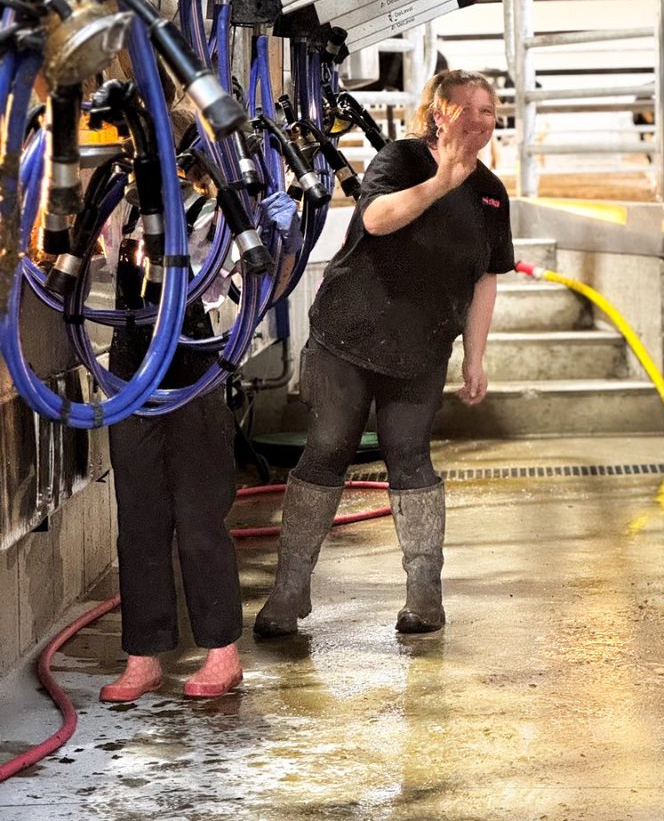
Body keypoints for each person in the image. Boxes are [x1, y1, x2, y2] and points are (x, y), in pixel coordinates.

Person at [254, 69, 515, 639]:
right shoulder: (401, 159)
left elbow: (487, 279)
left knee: (410, 456)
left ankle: (425, 596)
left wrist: (475, 356)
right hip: (347, 336)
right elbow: (375, 219)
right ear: (437, 112)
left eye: (489, 110)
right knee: (327, 449)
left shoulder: (493, 193)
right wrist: (442, 181)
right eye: (465, 107)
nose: (478, 119)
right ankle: (288, 593)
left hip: (420, 351)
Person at [100, 189, 302, 703]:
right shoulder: (116, 206)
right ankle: (143, 657)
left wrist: (287, 243)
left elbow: (264, 291)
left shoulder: (212, 212)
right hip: (130, 364)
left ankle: (222, 654)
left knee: (198, 519)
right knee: (139, 519)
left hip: (194, 361)